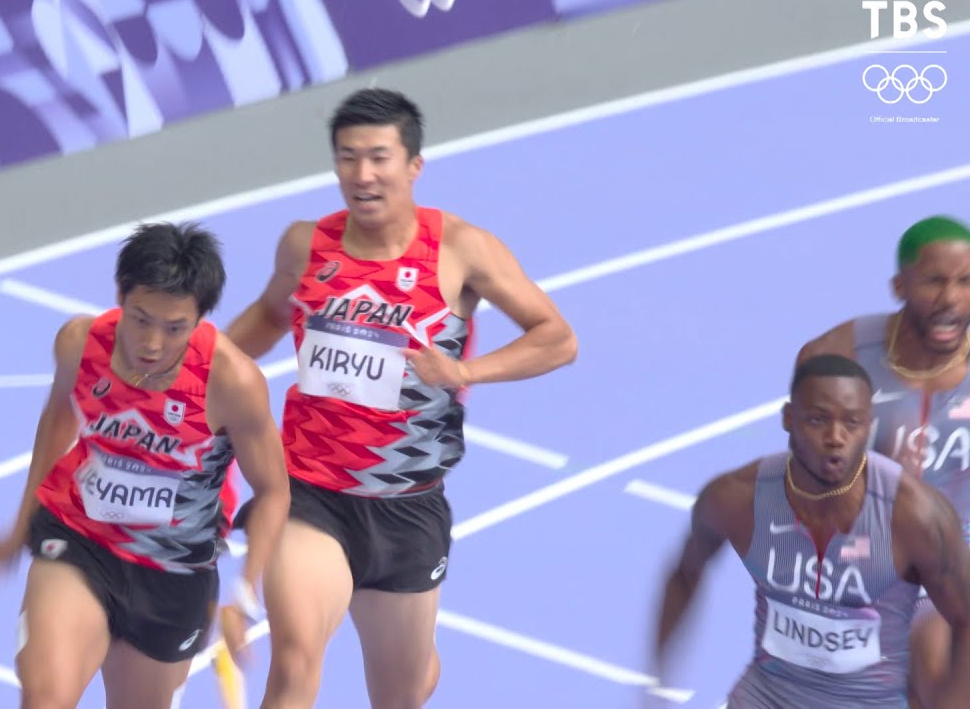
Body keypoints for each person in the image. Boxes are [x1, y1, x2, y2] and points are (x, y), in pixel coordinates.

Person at [224, 87, 579, 708]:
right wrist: (196, 368)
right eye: (347, 158)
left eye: (379, 157)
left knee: (402, 693)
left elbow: (557, 339)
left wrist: (463, 370)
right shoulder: (306, 246)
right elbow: (265, 318)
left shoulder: (463, 250)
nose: (362, 175)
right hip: (310, 493)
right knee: (297, 655)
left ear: (413, 165)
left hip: (407, 508)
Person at [0, 221, 290, 709]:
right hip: (80, 539)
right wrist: (22, 520)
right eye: (140, 319)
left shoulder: (232, 383)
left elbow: (274, 491)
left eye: (174, 329)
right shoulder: (79, 343)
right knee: (45, 696)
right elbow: (58, 416)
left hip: (174, 572)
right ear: (120, 298)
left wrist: (246, 595)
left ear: (200, 320)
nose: (152, 343)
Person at [653, 353, 970, 708]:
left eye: (852, 423)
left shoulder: (915, 516)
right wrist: (658, 682)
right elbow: (684, 574)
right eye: (818, 420)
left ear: (868, 425)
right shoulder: (735, 499)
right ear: (789, 419)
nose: (835, 437)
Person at [796, 214, 970, 706]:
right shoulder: (836, 360)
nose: (952, 299)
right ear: (900, 285)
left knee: (941, 671)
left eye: (966, 282)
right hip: (870, 560)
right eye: (935, 281)